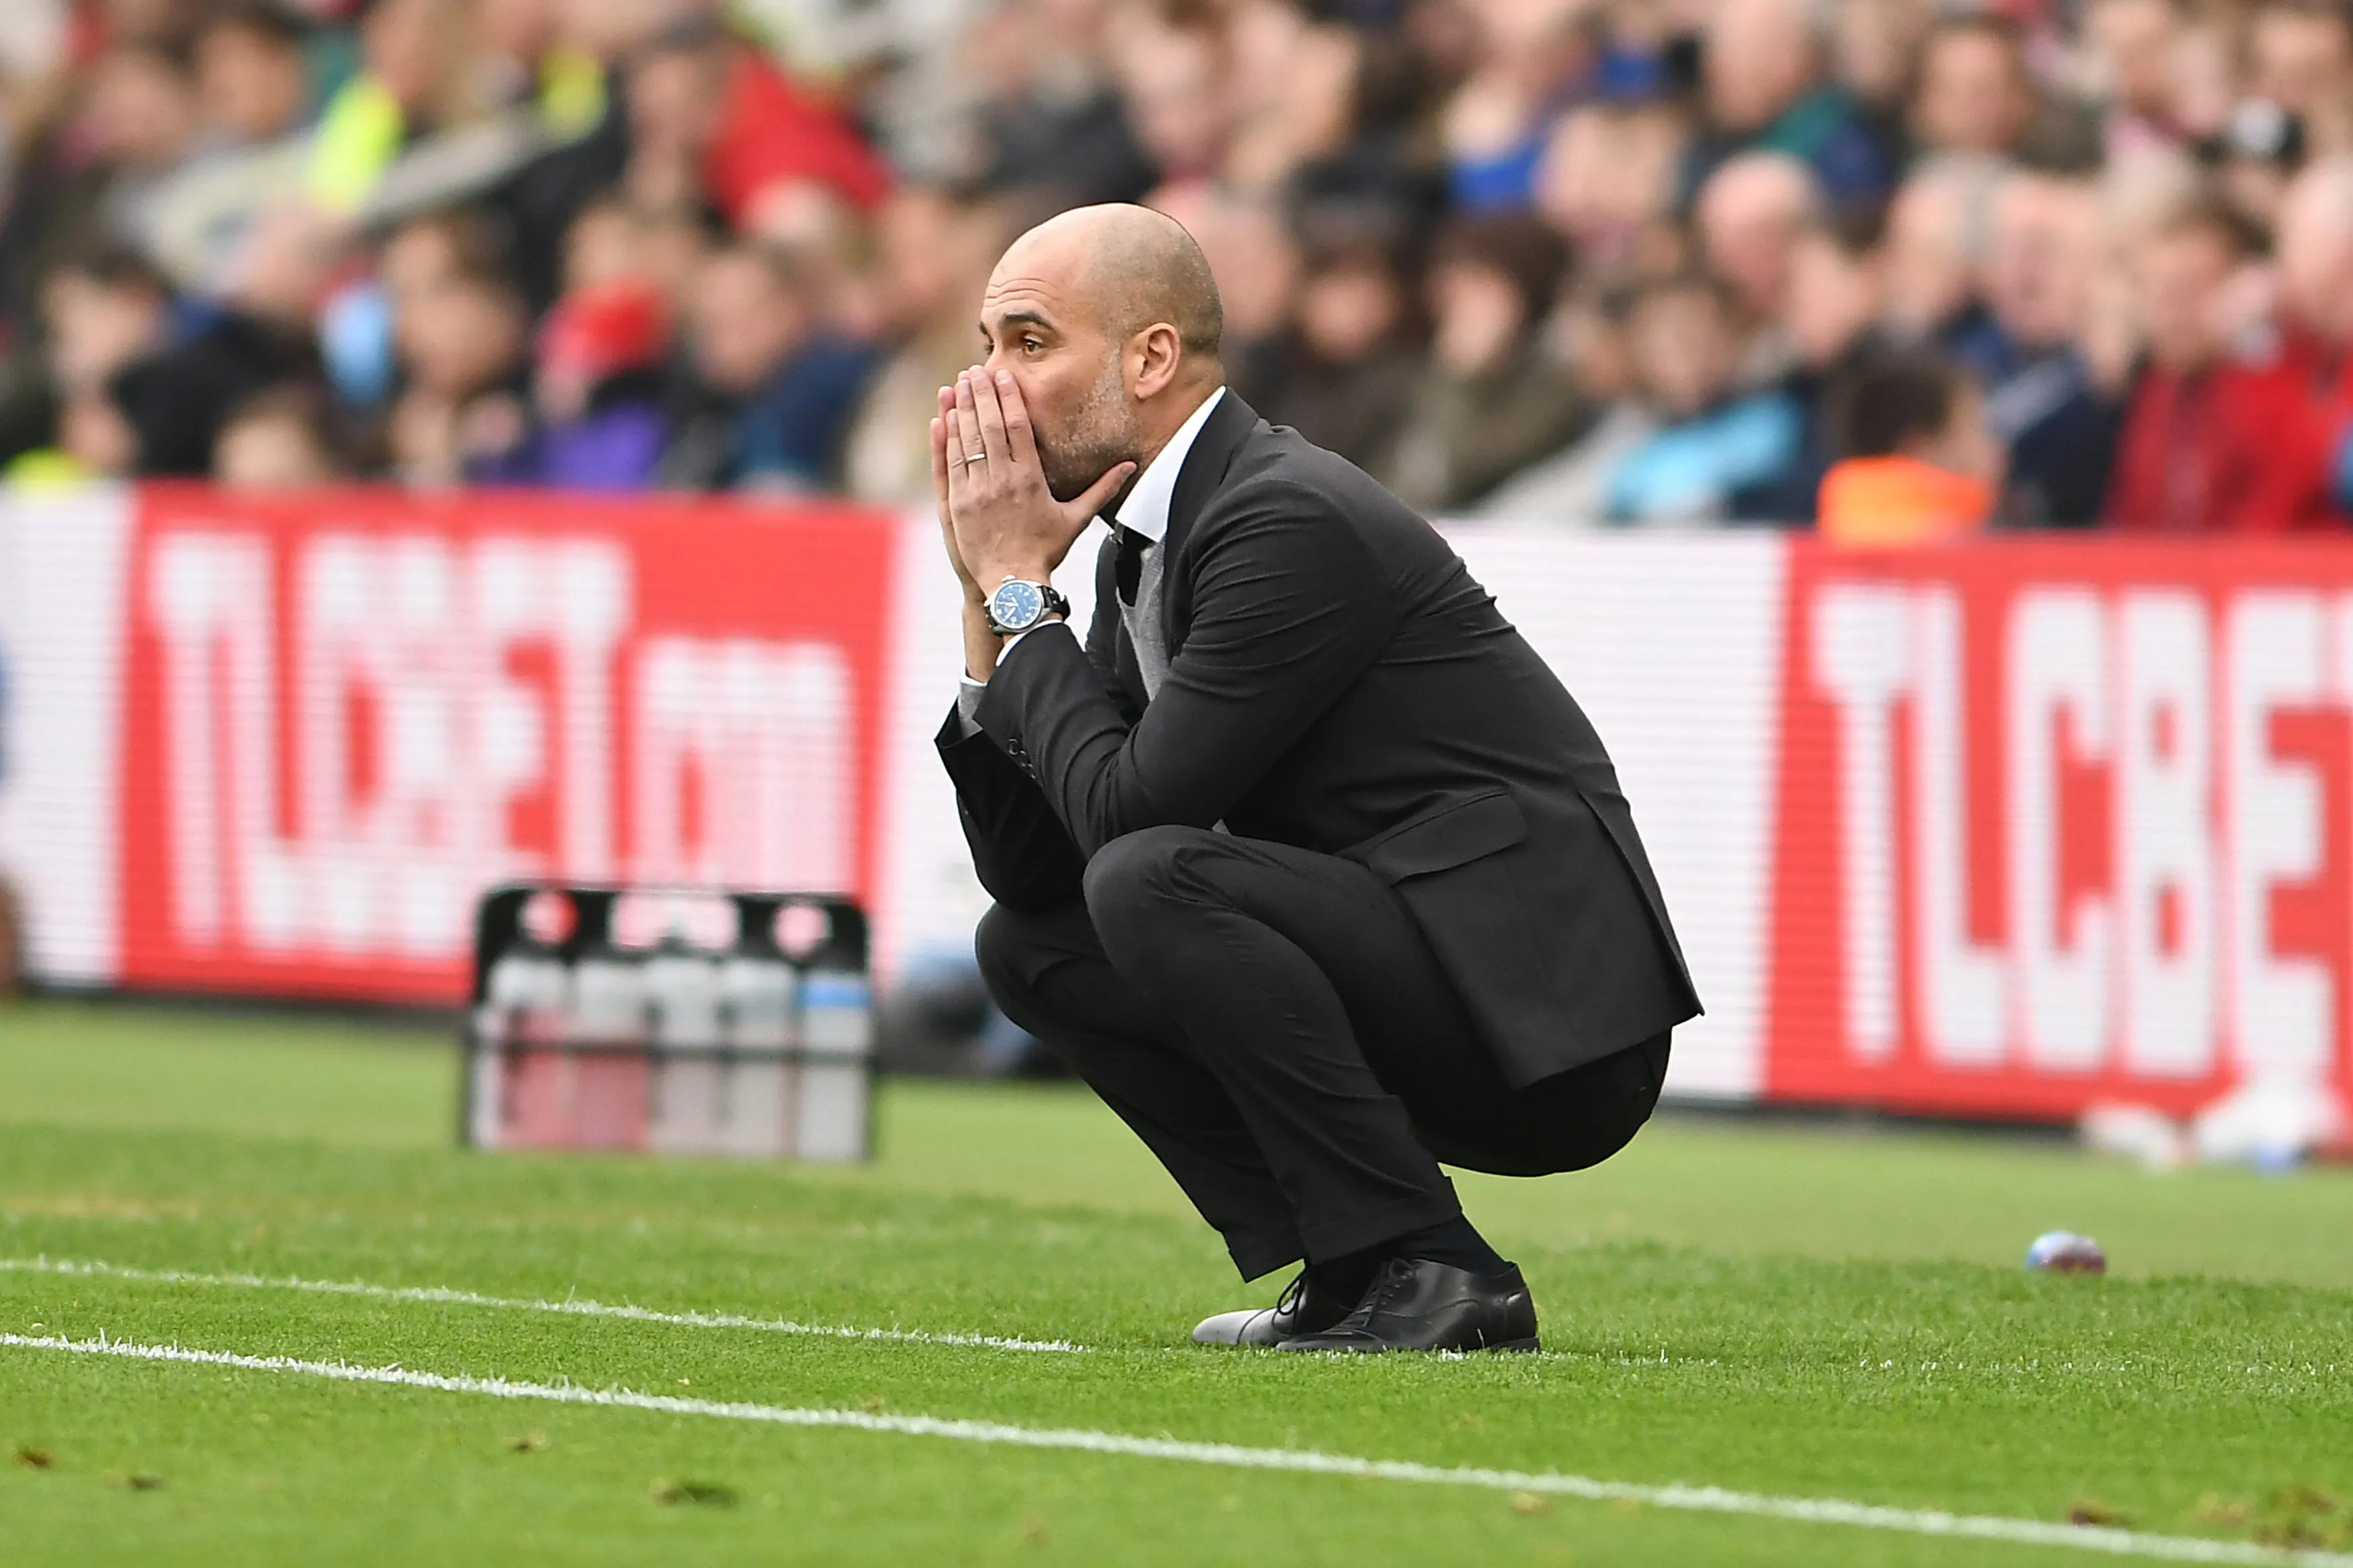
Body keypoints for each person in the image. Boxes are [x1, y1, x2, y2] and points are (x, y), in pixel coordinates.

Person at [932, 204, 1698, 1354]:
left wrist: (1020, 593)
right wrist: (986, 602)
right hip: (1436, 970)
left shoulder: (1283, 514)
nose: (990, 385)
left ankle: (1440, 1265)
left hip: (1550, 1019)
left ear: (1150, 358)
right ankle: (1354, 1265)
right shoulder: (1151, 537)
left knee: (1150, 876)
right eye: (988, 344)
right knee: (1029, 945)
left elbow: (1132, 815)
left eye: (1030, 343)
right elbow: (1033, 866)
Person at [2105, 202, 2320, 532]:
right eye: (2158, 292)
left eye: (2189, 291)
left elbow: (2285, 505)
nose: (2170, 314)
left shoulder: (2280, 383)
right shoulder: (2155, 389)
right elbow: (2130, 518)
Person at [1817, 351, 1999, 544]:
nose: (1996, 446)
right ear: (1918, 446)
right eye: (1976, 428)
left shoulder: (1833, 530)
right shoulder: (1962, 542)